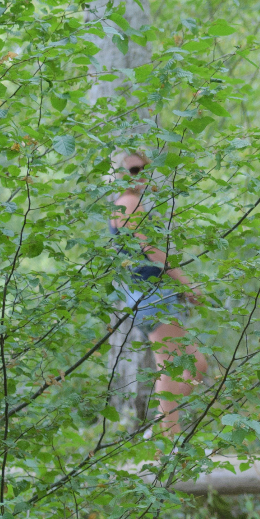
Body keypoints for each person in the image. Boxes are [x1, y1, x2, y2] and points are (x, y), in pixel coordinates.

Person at [110, 150, 208, 436]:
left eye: (143, 169)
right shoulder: (127, 204)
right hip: (149, 296)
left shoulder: (133, 203)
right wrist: (187, 283)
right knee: (172, 367)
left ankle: (164, 425)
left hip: (156, 294)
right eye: (132, 170)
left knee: (195, 365)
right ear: (118, 174)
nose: (138, 176)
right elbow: (151, 251)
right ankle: (168, 436)